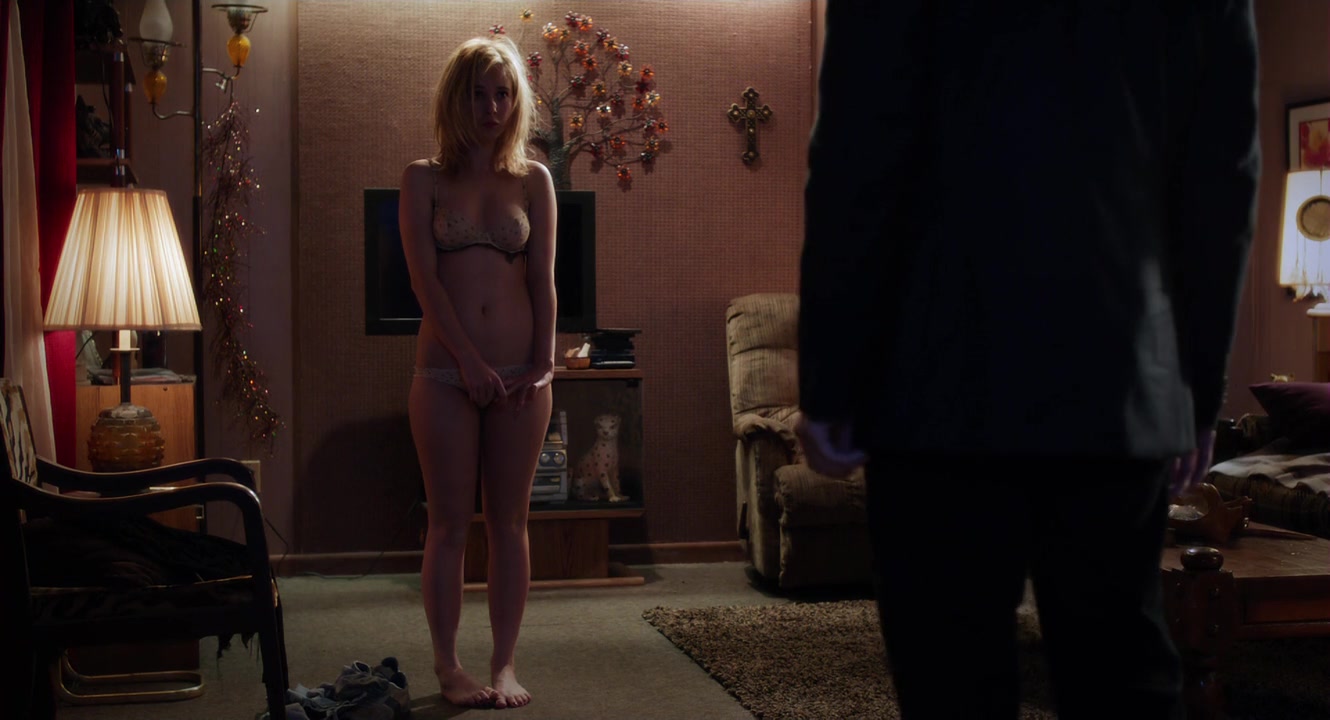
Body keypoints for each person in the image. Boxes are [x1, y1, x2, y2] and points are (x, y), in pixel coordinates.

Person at [796, 1, 1259, 718]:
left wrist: (832, 382)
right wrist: (1197, 390)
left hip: (935, 374)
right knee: (1120, 674)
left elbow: (856, 165)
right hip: (1120, 372)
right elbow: (1218, 189)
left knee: (950, 678)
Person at [399, 33, 556, 710]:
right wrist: (466, 359)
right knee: (448, 524)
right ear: (455, 98)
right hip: (444, 375)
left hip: (521, 377)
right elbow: (424, 282)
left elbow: (543, 282)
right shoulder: (423, 179)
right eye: (478, 94)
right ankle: (448, 667)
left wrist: (546, 361)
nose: (491, 107)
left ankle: (505, 665)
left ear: (516, 103)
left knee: (511, 523)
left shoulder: (535, 180)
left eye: (502, 94)